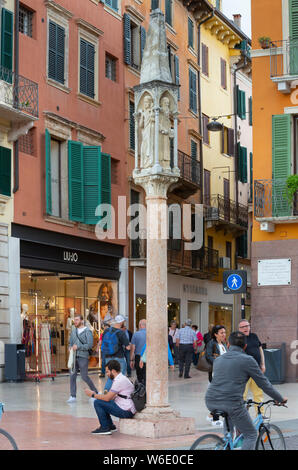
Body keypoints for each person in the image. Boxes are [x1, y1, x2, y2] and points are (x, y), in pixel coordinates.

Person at [205, 331, 287, 450]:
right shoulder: (247, 360)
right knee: (251, 434)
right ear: (245, 346)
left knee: (229, 431)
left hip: (211, 400)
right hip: (231, 403)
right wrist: (280, 398)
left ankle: (227, 442)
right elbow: (264, 384)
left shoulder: (219, 360)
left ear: (228, 344)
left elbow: (226, 382)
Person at [85, 359, 136, 435]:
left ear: (113, 371)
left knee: (97, 403)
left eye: (107, 372)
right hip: (125, 407)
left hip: (126, 411)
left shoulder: (119, 381)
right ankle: (110, 426)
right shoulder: (120, 378)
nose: (107, 374)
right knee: (103, 402)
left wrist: (92, 395)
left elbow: (107, 398)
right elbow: (110, 397)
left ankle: (104, 428)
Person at [67, 314, 98, 403]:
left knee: (84, 376)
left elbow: (89, 345)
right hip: (73, 356)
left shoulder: (87, 331)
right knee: (72, 376)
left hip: (83, 356)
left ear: (82, 320)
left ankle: (95, 392)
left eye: (77, 320)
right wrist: (70, 347)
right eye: (74, 320)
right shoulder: (73, 331)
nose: (75, 322)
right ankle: (73, 396)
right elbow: (70, 343)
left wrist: (78, 347)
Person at [239, 319, 266, 415]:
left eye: (247, 326)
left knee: (258, 394)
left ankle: (260, 415)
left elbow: (260, 349)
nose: (246, 328)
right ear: (239, 329)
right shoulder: (238, 339)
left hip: (256, 370)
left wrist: (263, 364)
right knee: (242, 395)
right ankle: (241, 417)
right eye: (243, 327)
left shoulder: (254, 336)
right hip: (243, 373)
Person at [101, 315, 130, 392]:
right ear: (121, 322)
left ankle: (106, 390)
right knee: (120, 375)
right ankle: (118, 392)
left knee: (111, 375)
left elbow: (102, 342)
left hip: (108, 356)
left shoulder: (106, 331)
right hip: (119, 357)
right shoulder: (121, 332)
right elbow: (127, 347)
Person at [130, 319, 147, 384]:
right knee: (147, 375)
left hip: (138, 357)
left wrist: (131, 360)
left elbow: (133, 348)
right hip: (149, 357)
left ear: (140, 325)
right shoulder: (151, 334)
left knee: (139, 376)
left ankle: (141, 390)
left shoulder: (136, 334)